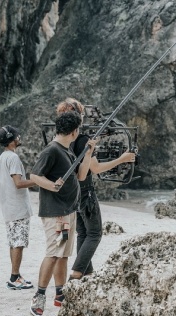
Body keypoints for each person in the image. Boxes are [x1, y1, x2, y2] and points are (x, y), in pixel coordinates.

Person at [56, 98, 136, 289]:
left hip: (71, 192)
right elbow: (96, 168)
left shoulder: (61, 139)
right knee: (95, 233)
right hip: (85, 192)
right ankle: (76, 275)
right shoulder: (82, 140)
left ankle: (86, 273)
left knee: (83, 232)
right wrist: (122, 158)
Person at [28, 111, 95, 316]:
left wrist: (89, 152)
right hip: (56, 214)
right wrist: (51, 185)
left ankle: (60, 294)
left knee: (63, 254)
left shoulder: (67, 151)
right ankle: (39, 296)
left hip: (68, 211)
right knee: (54, 253)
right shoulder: (52, 150)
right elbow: (34, 175)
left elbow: (81, 176)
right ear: (75, 131)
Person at [0, 125, 37, 290]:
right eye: (17, 135)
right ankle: (14, 277)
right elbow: (19, 183)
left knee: (14, 242)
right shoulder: (13, 158)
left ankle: (16, 275)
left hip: (9, 207)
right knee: (18, 243)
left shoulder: (2, 158)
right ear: (12, 139)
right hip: (17, 207)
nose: (19, 137)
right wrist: (39, 180)